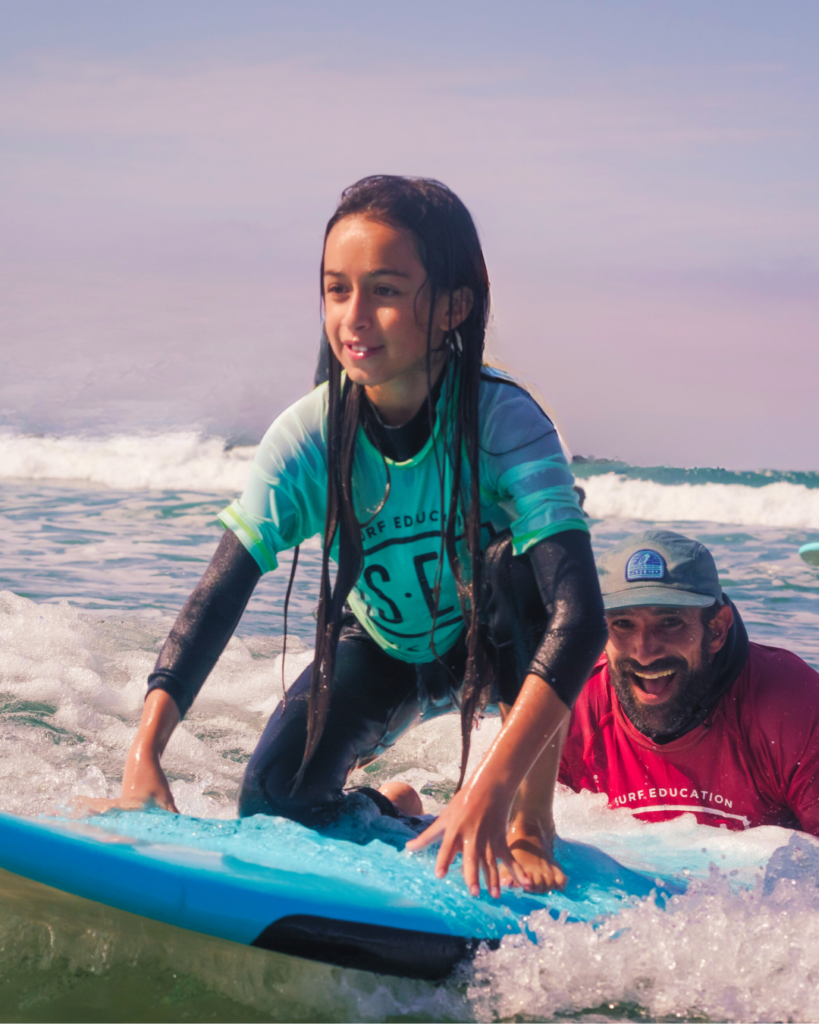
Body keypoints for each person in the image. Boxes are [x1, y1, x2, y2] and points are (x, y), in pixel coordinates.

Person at [115, 176, 607, 897]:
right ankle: (396, 810)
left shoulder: (505, 423)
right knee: (274, 802)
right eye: (335, 289)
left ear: (453, 306)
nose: (354, 316)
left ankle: (530, 824)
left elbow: (579, 614)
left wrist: (494, 789)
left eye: (383, 289)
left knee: (515, 566)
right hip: (383, 643)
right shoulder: (308, 437)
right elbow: (220, 592)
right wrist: (144, 751)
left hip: (492, 641)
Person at [558, 529, 819, 835]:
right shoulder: (569, 707)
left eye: (670, 622)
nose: (644, 652)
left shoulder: (792, 706)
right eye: (623, 624)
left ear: (718, 629)